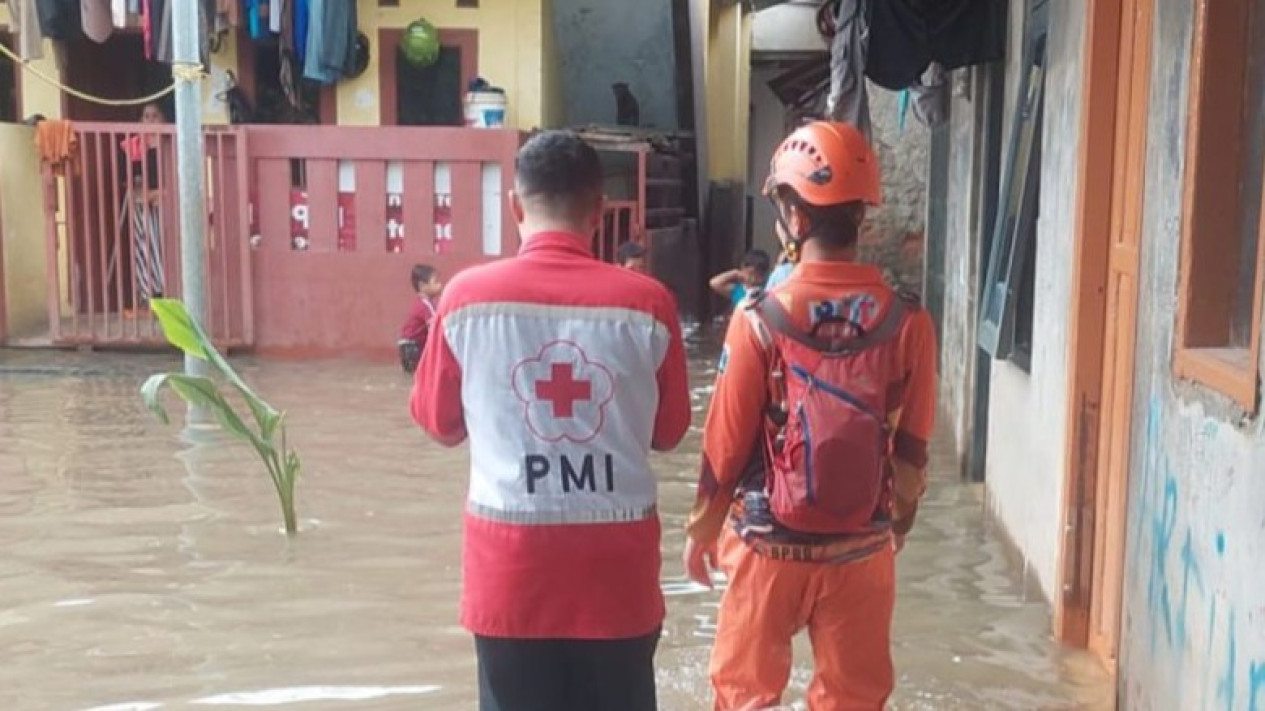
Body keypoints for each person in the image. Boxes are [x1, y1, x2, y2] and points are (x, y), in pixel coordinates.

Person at [411, 130, 691, 711]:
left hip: (509, 575)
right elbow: (669, 434)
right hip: (617, 580)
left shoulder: (465, 300)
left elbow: (439, 425)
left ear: (515, 206)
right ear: (597, 211)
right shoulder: (648, 304)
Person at [683, 121, 938, 710]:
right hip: (861, 550)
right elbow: (914, 448)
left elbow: (723, 448)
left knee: (743, 697)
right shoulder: (908, 322)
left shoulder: (759, 319)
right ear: (861, 218)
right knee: (854, 699)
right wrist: (891, 530)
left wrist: (699, 532)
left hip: (766, 548)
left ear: (795, 221)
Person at [398, 263, 442, 373]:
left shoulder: (425, 303)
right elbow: (435, 328)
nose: (440, 285)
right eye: (435, 282)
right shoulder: (425, 305)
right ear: (422, 286)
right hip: (412, 348)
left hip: (408, 347)